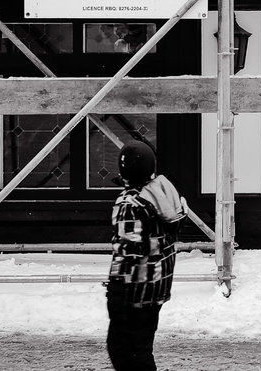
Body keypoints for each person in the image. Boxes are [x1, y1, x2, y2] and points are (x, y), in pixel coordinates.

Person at [106, 141, 187, 371]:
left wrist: (116, 291)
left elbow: (127, 253)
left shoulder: (130, 202)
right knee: (141, 349)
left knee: (123, 351)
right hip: (157, 288)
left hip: (133, 291)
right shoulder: (163, 194)